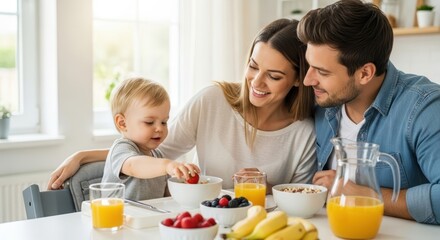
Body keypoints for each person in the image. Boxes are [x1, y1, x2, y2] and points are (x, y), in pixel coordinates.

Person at [47, 18, 316, 191]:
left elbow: (302, 196)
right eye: (253, 66)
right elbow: (150, 151)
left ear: (297, 79)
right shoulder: (213, 100)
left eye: (274, 76)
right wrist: (82, 156)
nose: (256, 82)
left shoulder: (304, 130)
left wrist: (266, 186)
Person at [298, 0, 440, 224]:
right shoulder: (323, 101)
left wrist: (368, 195)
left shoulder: (425, 108)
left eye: (323, 72)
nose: (308, 80)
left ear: (365, 73)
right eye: (309, 66)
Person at [98, 77, 199, 200]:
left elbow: (165, 197)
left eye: (164, 122)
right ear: (123, 123)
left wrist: (182, 181)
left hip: (148, 217)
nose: (159, 129)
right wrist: (168, 165)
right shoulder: (121, 149)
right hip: (117, 218)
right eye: (149, 122)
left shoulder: (157, 157)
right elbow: (133, 166)